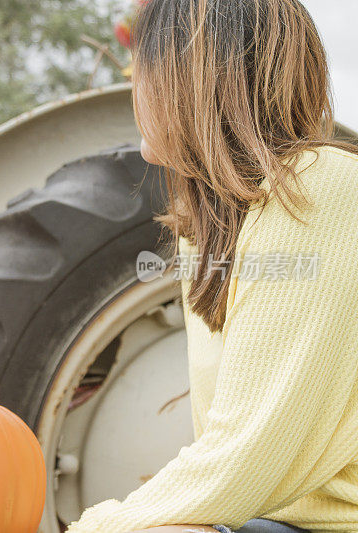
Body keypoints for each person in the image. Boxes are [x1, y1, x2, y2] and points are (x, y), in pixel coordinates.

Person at [68, 0, 358, 532]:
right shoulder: (203, 232)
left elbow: (245, 457)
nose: (136, 84)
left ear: (188, 77)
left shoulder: (322, 192)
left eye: (146, 65)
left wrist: (96, 527)